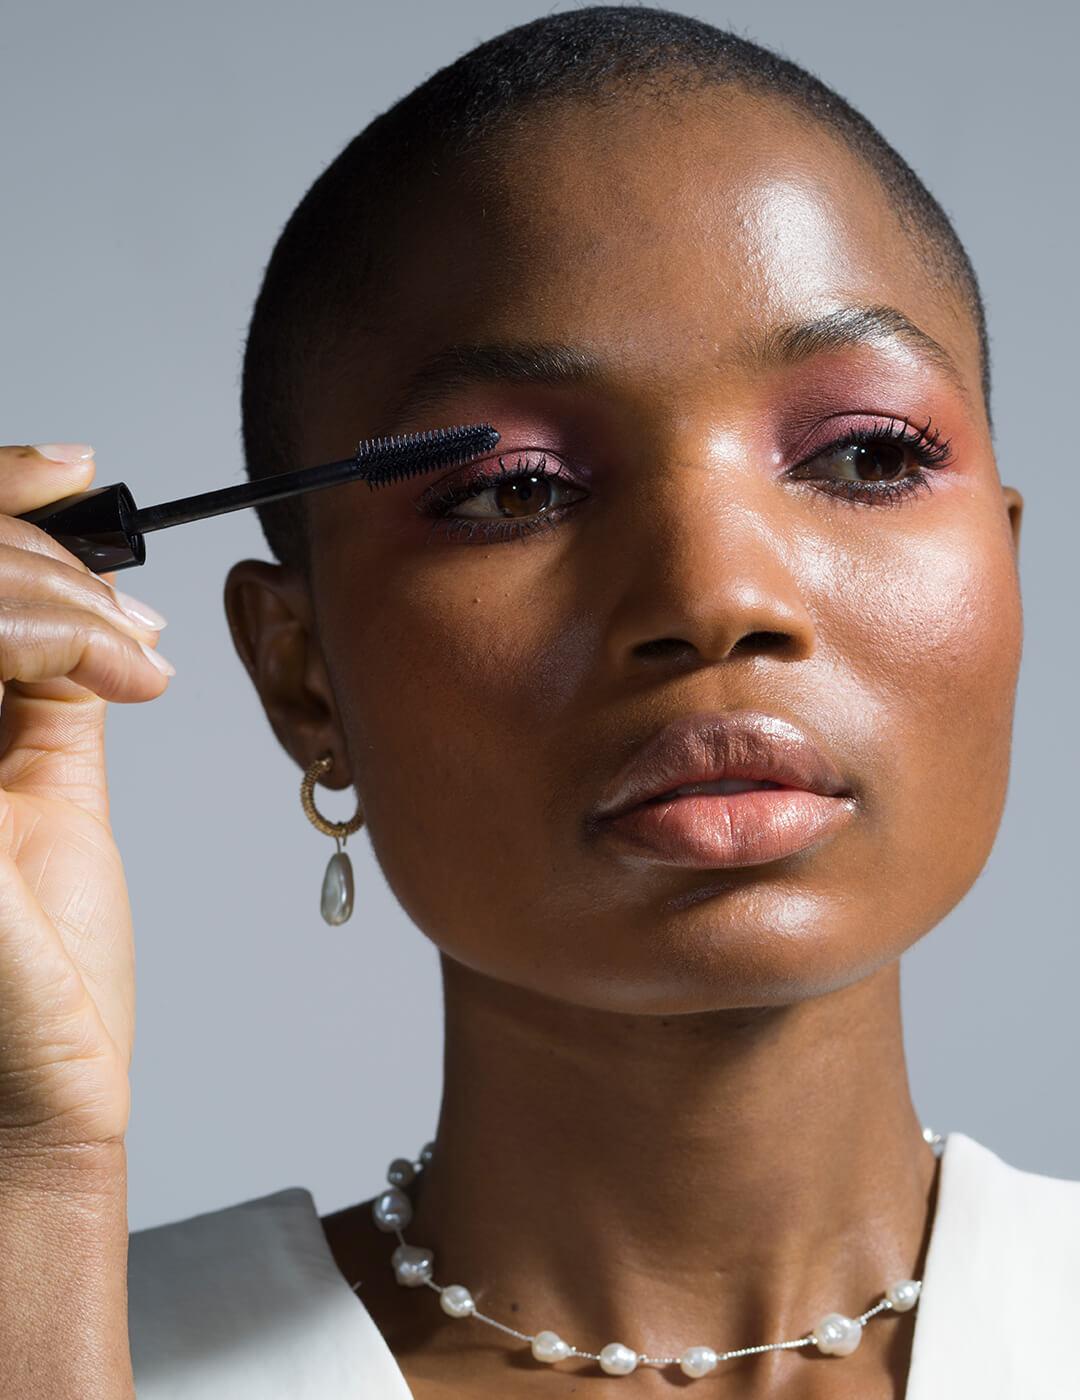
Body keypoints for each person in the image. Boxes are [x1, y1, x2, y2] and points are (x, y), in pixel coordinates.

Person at [1, 7, 1075, 1399]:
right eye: (518, 489)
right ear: (300, 672)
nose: (716, 595)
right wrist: (34, 1169)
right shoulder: (67, 1329)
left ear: (1007, 565)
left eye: (865, 458)